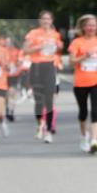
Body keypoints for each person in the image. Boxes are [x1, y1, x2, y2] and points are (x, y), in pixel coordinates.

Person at [22, 11, 63, 143]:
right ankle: (40, 124)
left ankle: (49, 131)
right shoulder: (33, 33)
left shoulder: (55, 34)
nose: (46, 21)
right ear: (39, 21)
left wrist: (60, 46)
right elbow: (25, 50)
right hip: (36, 67)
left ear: (51, 21)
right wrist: (39, 46)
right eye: (43, 19)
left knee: (49, 99)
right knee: (39, 101)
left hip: (50, 66)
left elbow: (59, 47)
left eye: (48, 19)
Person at [68, 14, 97, 153]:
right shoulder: (77, 42)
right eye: (88, 25)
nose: (91, 28)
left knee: (96, 111)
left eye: (93, 25)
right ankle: (84, 136)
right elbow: (71, 62)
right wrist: (85, 56)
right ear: (83, 27)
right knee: (83, 112)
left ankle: (94, 140)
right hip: (81, 81)